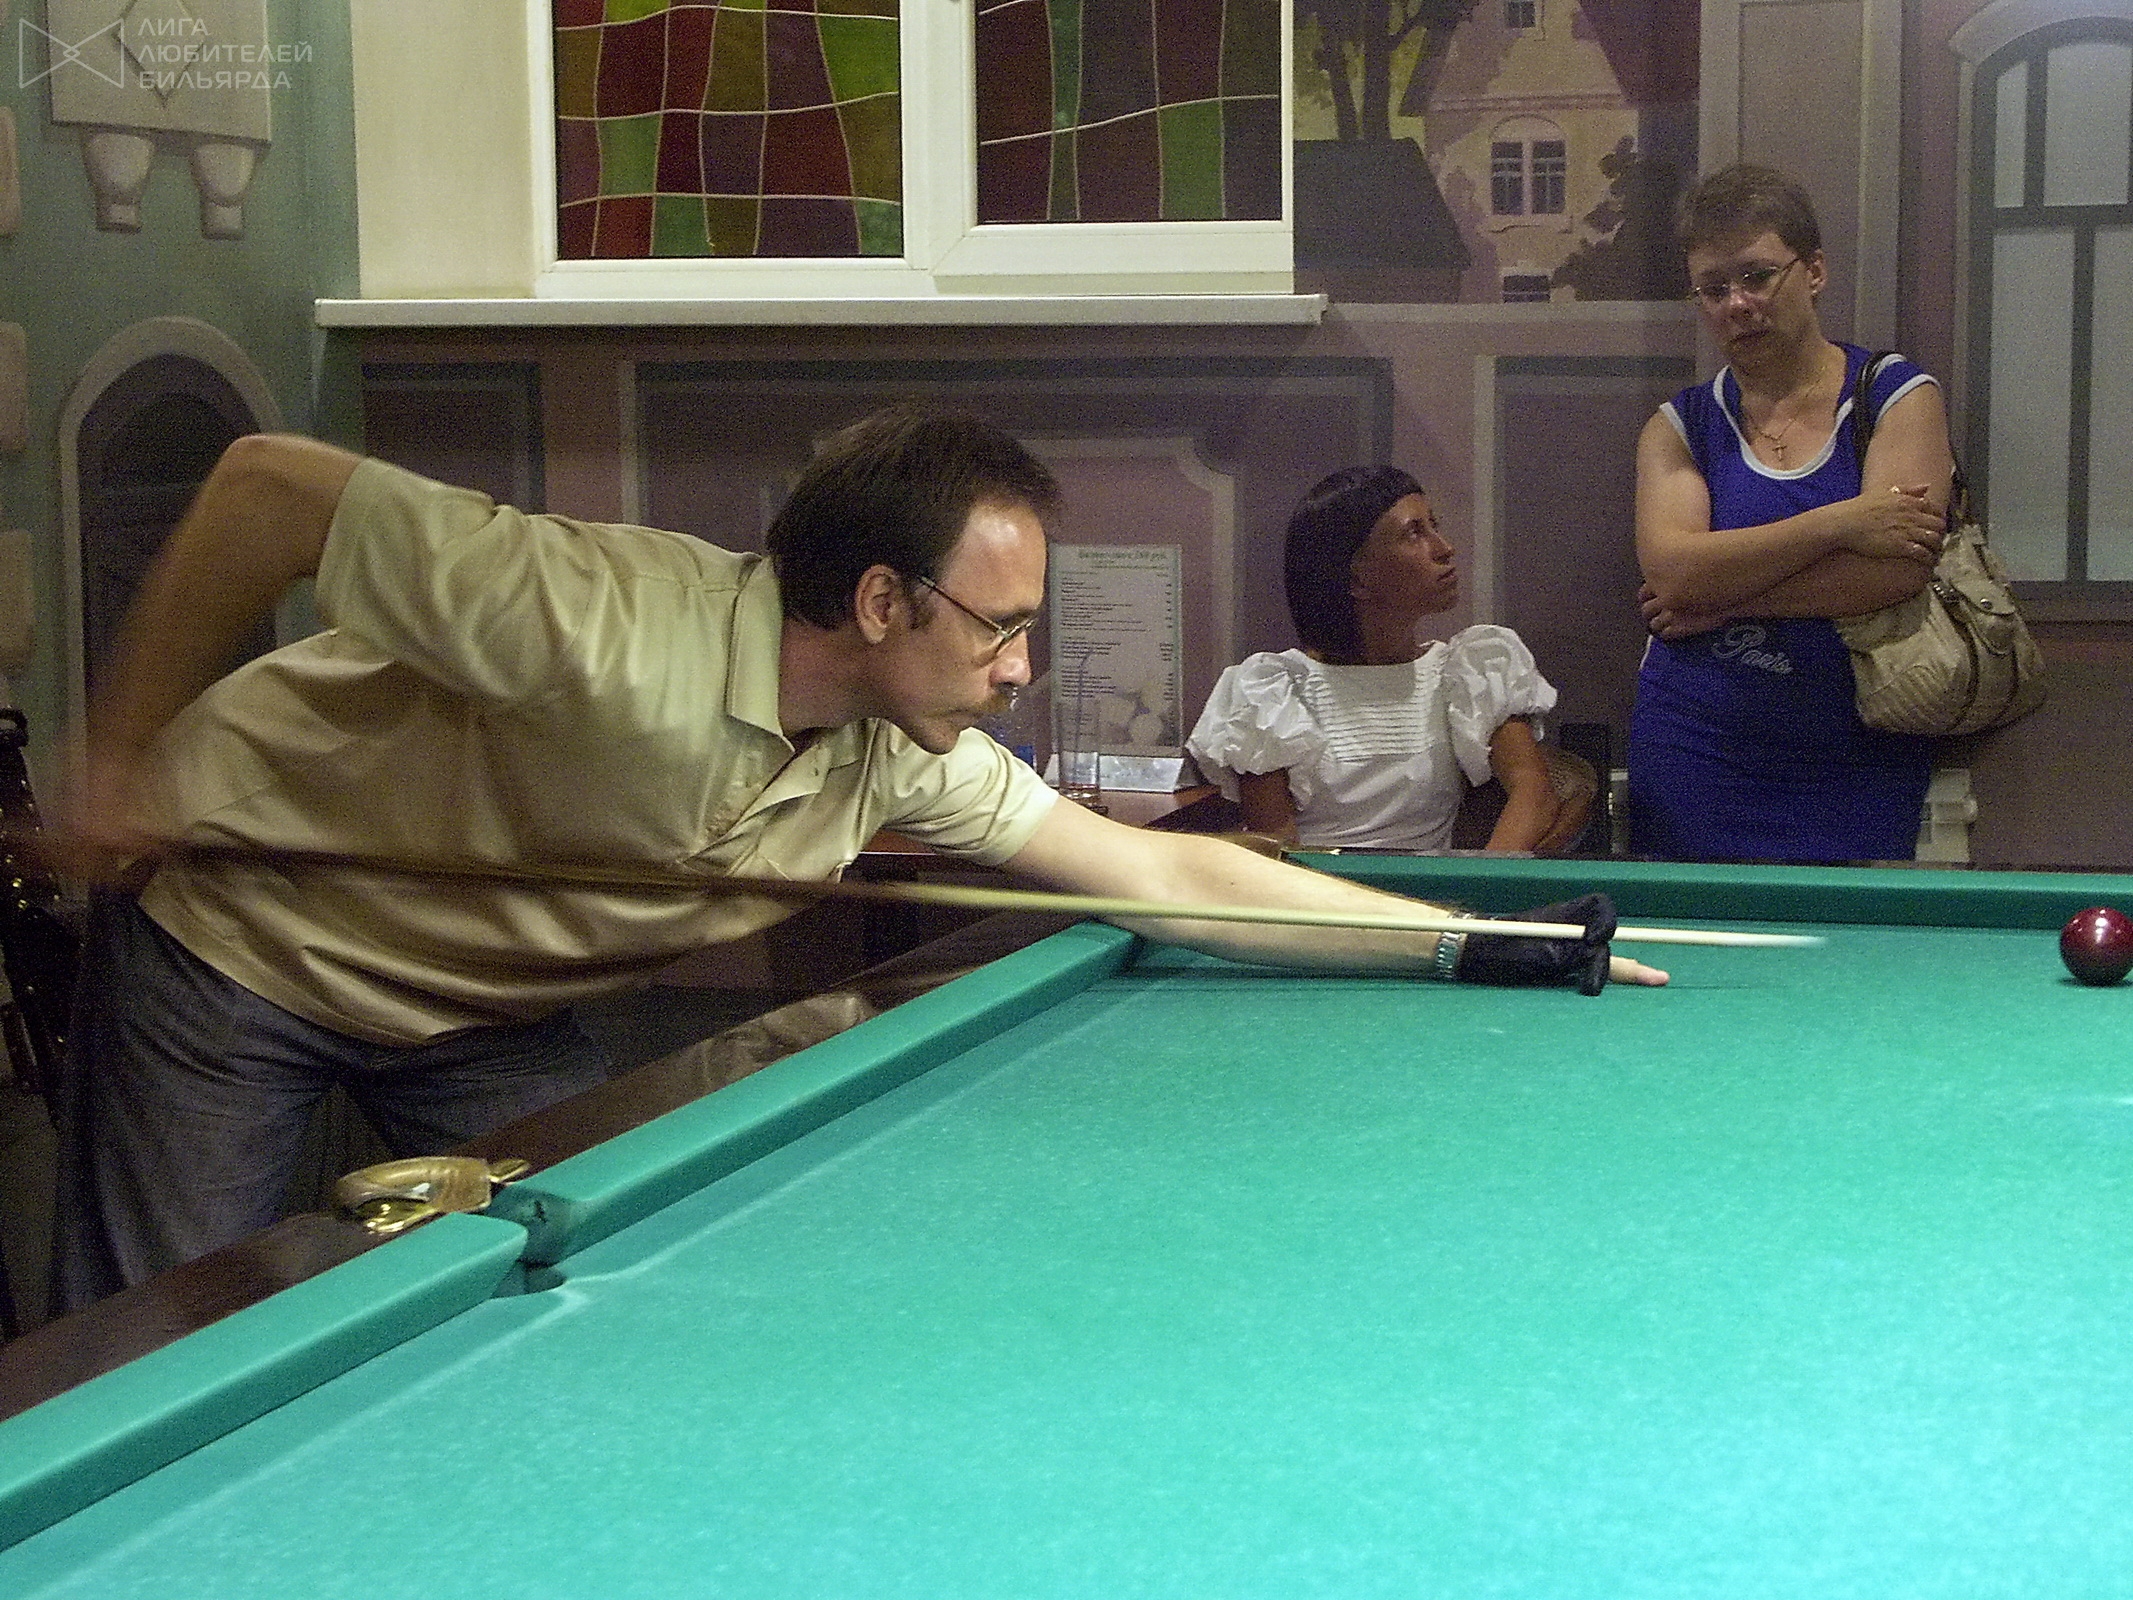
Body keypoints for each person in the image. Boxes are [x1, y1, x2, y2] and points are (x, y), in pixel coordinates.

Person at [53, 404, 1667, 1308]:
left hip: (484, 1010)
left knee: (612, 1287)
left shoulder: (906, 749)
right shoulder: (593, 617)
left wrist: (1469, 941)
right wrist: (117, 760)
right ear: (884, 602)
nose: (1021, 670)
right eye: (1001, 628)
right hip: (242, 951)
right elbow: (266, 491)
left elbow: (1171, 873)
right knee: (159, 1348)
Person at [1627, 164, 1953, 861]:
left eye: (1757, 277)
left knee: (1847, 929)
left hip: (1858, 746)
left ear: (1814, 271)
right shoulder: (1679, 425)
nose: (1737, 304)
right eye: (1713, 289)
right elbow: (1674, 575)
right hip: (1695, 745)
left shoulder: (1894, 395)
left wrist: (1722, 600)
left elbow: (1893, 573)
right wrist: (1839, 523)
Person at [1185, 466, 1585, 853]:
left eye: (1434, 526)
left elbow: (1534, 794)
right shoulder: (1271, 691)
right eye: (1414, 533)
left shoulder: (1469, 668)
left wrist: (1478, 886)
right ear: (1357, 577)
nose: (1444, 549)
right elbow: (1275, 848)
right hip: (1316, 889)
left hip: (1438, 889)